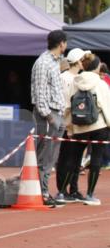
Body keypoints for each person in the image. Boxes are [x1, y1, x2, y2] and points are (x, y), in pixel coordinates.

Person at [61, 54, 110, 205]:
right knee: (96, 158)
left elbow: (68, 107)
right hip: (98, 125)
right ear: (96, 67)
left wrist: (70, 128)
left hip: (79, 126)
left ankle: (61, 192)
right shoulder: (101, 84)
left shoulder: (75, 82)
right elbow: (107, 107)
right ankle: (90, 195)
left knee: (73, 159)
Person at [30, 29, 68, 205]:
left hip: (57, 113)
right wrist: (48, 115)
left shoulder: (55, 61)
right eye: (65, 43)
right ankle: (41, 192)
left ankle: (44, 190)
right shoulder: (43, 62)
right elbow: (40, 92)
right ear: (61, 44)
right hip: (48, 114)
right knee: (44, 154)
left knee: (51, 156)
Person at [54, 48, 88, 202]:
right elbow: (64, 104)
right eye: (83, 59)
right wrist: (68, 125)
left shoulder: (80, 78)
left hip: (78, 124)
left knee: (77, 158)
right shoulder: (64, 78)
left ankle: (73, 189)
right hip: (67, 124)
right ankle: (62, 190)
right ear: (78, 62)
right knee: (66, 157)